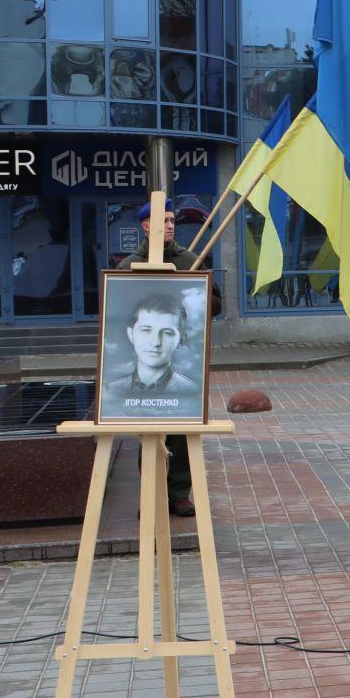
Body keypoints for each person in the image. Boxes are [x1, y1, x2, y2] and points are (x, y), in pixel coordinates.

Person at [117, 205, 217, 517]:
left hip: (181, 360)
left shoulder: (190, 261)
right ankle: (150, 495)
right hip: (143, 364)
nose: (170, 226)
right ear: (146, 226)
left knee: (180, 429)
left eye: (172, 220)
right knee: (149, 431)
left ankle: (178, 493)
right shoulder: (129, 265)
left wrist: (196, 296)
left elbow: (215, 303)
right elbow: (117, 307)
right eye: (163, 221)